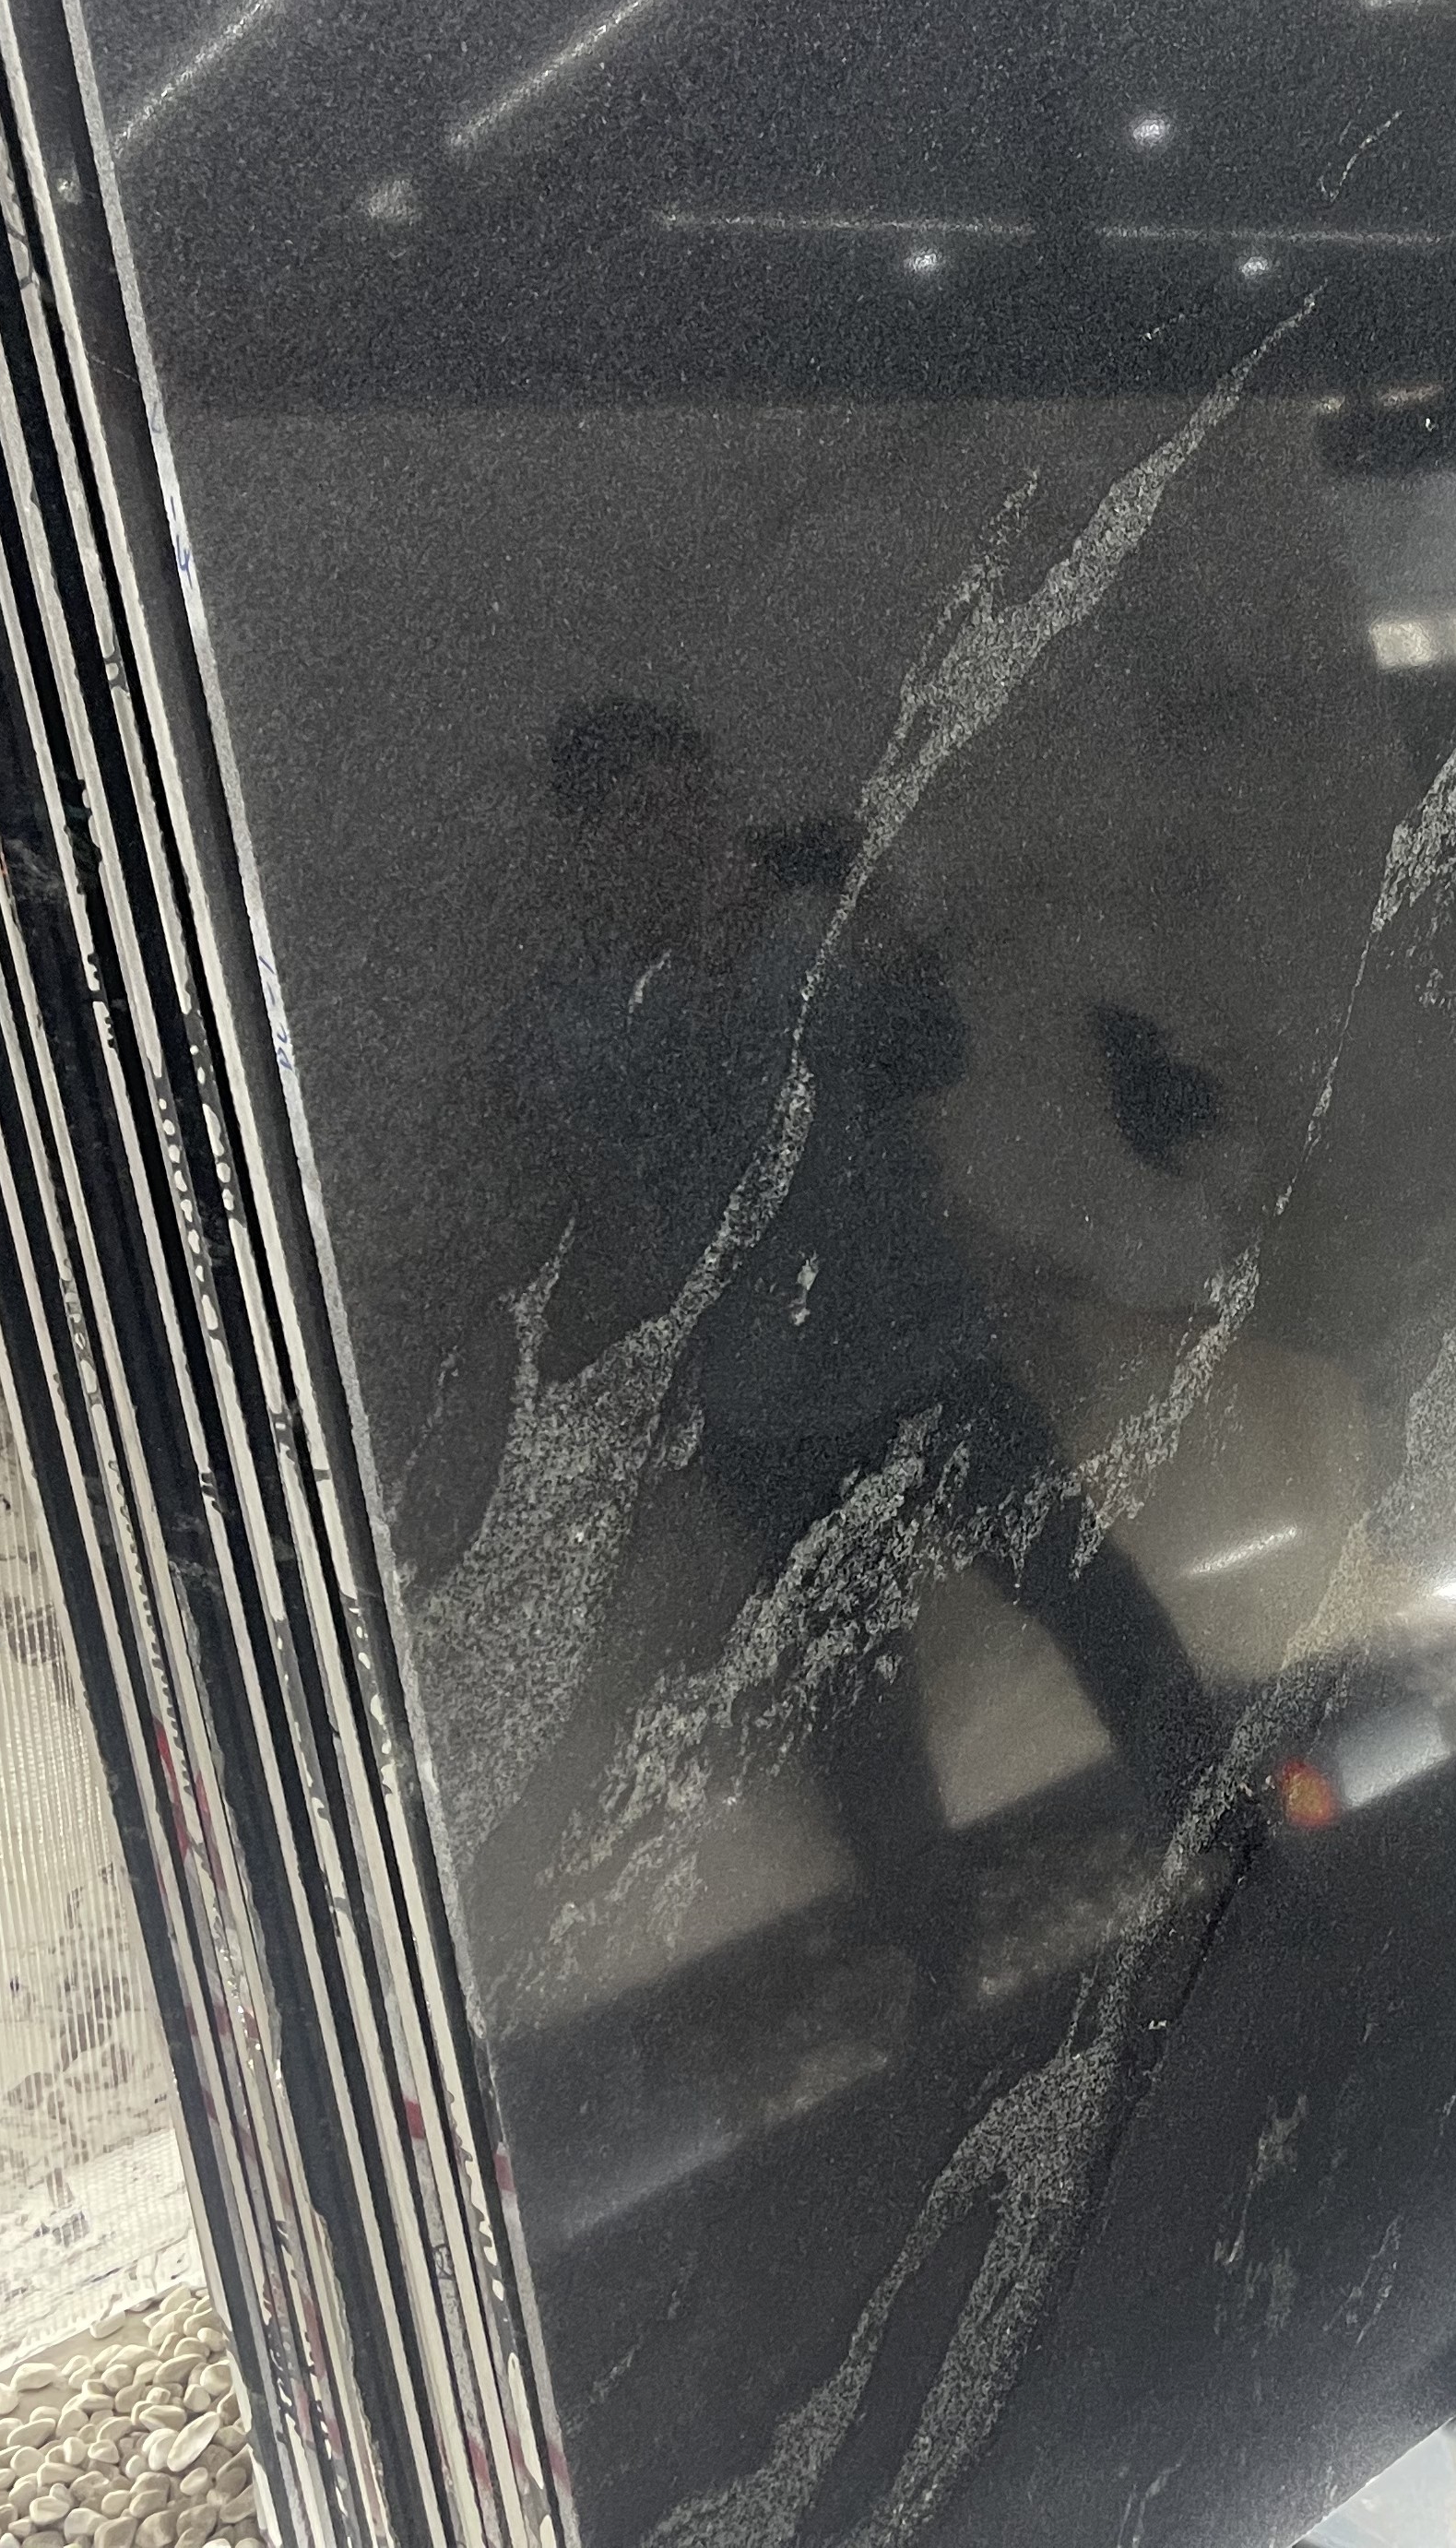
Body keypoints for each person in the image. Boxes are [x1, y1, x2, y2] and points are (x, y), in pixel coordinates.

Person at [506, 695, 1229, 2005]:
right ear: (592, 845)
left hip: (928, 1347)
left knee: (1086, 1592)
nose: (685, 832)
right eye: (646, 814)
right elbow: (661, 1136)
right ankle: (941, 1976)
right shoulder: (582, 1010)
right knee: (858, 1696)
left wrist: (881, 929)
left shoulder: (802, 947)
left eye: (695, 800)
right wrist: (727, 962)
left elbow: (927, 1055)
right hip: (772, 1407)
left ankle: (1234, 1845)